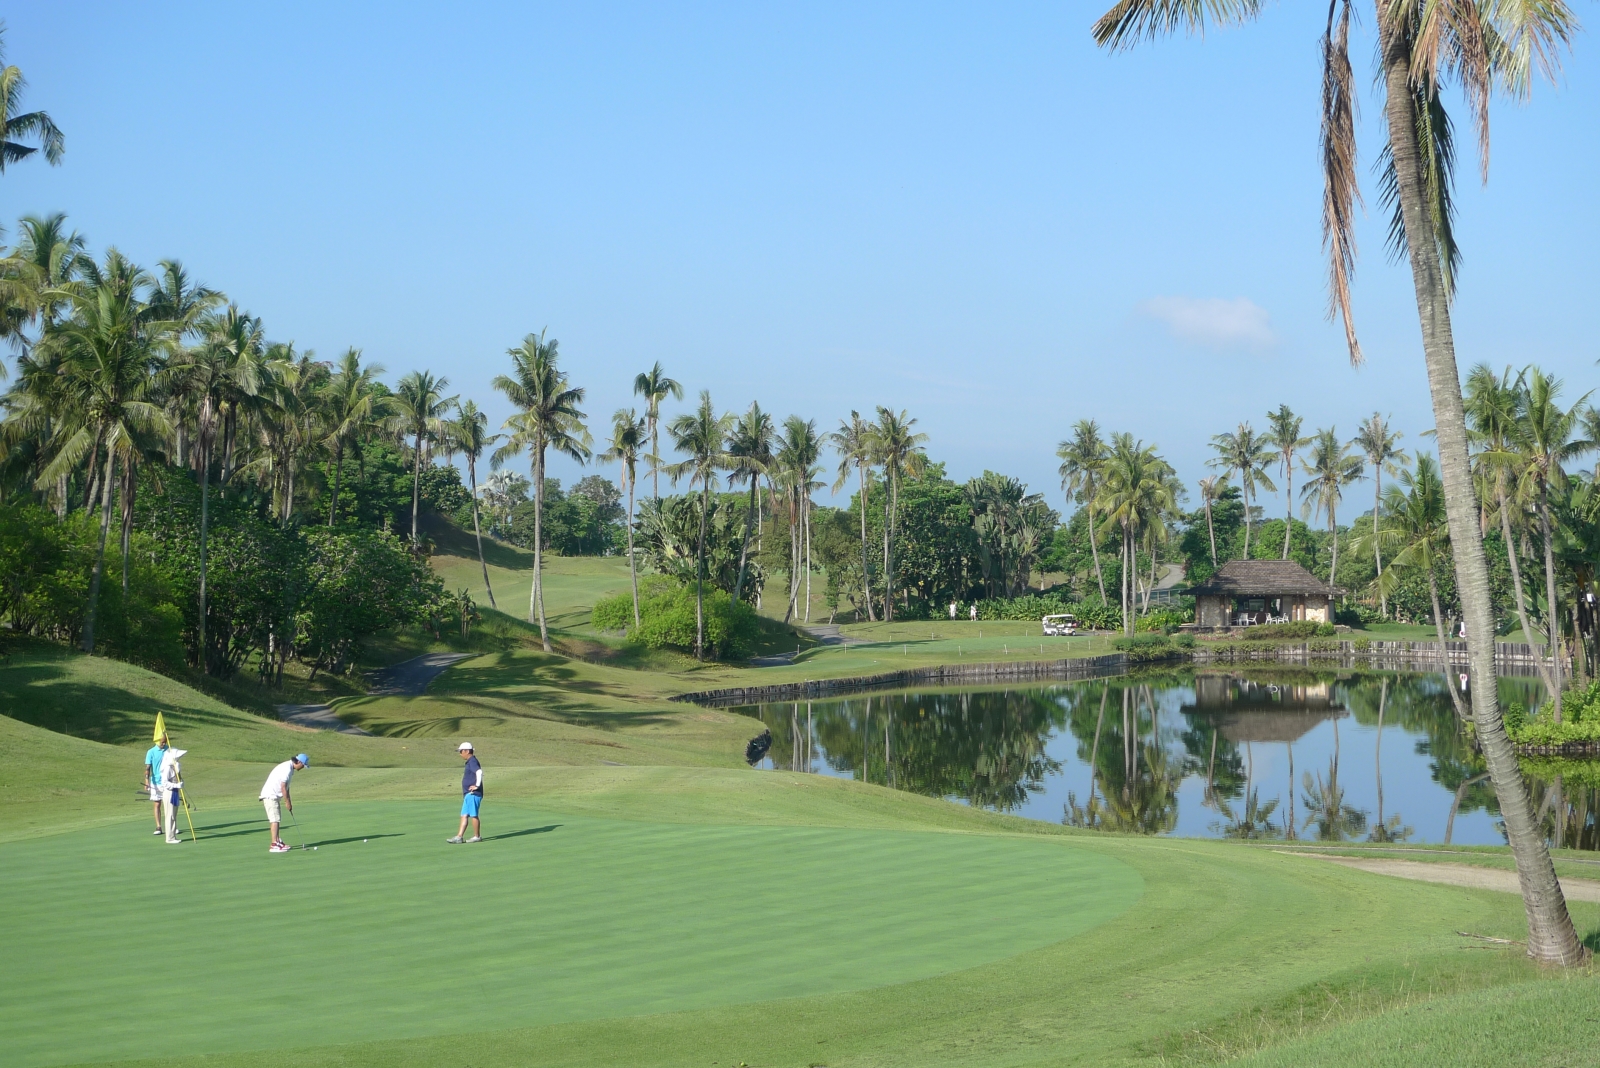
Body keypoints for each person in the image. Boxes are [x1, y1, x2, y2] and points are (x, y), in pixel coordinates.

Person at [260, 754, 309, 854]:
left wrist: (289, 801)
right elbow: (283, 787)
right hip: (270, 795)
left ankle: (278, 842)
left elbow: (286, 787)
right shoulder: (287, 769)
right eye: (303, 765)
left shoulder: (289, 768)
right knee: (275, 819)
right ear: (298, 762)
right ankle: (274, 845)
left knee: (277, 819)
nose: (303, 767)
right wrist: (287, 802)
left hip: (273, 796)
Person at [448, 742, 483, 844]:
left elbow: (479, 772)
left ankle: (477, 836)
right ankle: (459, 837)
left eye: (461, 751)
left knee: (473, 815)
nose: (460, 754)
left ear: (467, 751)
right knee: (464, 815)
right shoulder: (469, 761)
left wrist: (477, 785)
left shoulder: (472, 761)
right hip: (468, 794)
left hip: (473, 794)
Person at [158, 747, 186, 844]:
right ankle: (169, 838)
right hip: (169, 793)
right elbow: (165, 783)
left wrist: (180, 783)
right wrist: (176, 785)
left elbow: (178, 778)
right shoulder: (167, 768)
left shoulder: (175, 766)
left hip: (175, 792)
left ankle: (173, 836)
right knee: (169, 815)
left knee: (173, 815)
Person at [143, 735, 169, 835]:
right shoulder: (151, 752)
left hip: (168, 781)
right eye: (162, 742)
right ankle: (158, 827)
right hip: (156, 782)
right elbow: (147, 768)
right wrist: (146, 781)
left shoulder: (168, 750)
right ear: (157, 741)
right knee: (157, 803)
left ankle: (171, 826)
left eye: (165, 742)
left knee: (169, 804)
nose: (164, 744)